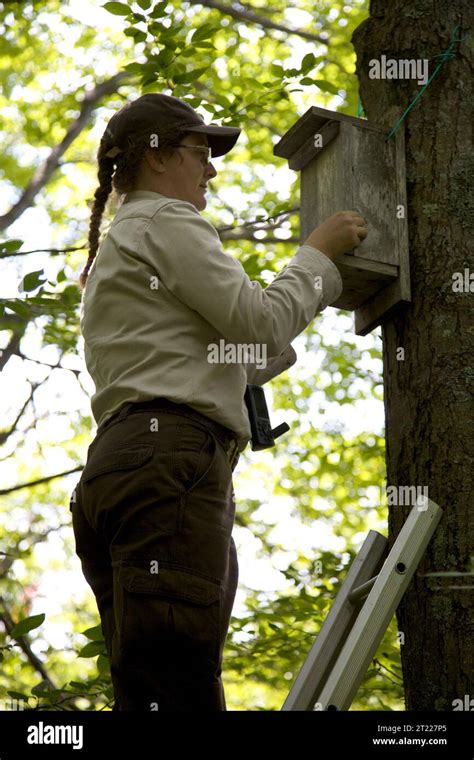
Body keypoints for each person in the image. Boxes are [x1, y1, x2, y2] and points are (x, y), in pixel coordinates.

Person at [70, 92, 367, 712]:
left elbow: (236, 352)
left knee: (148, 680)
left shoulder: (123, 246)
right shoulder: (165, 221)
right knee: (178, 678)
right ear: (156, 159)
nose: (211, 169)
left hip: (123, 468)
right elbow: (258, 322)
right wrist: (318, 257)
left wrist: (273, 340)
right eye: (200, 152)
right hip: (168, 463)